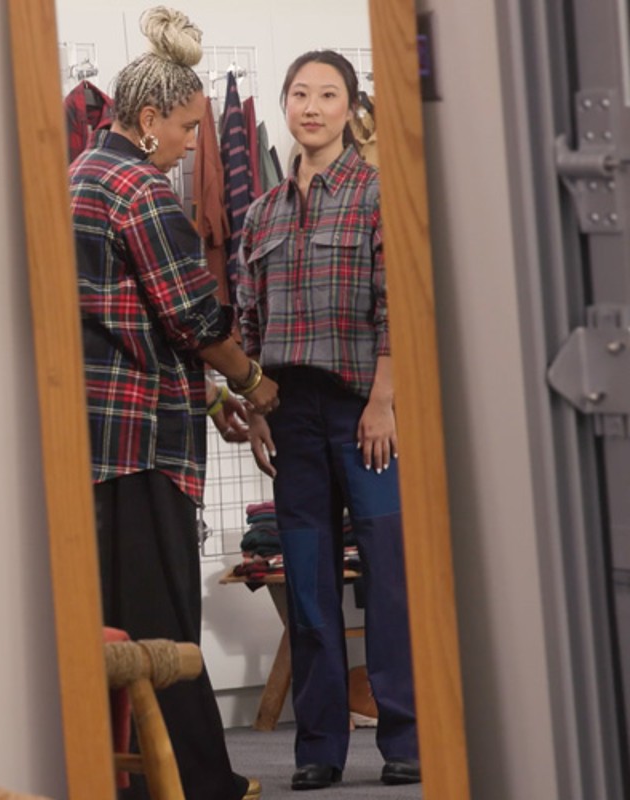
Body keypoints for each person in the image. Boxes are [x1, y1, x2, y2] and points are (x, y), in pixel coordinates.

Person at [68, 7, 278, 800]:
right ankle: (196, 785)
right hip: (145, 445)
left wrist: (211, 389)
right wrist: (252, 381)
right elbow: (193, 316)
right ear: (150, 120)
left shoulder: (80, 176)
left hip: (98, 442)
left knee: (117, 626)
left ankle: (135, 780)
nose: (197, 143)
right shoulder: (140, 188)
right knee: (164, 633)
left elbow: (130, 320)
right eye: (190, 127)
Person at [236, 50, 420, 790]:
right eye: (300, 94)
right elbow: (247, 322)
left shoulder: (378, 196)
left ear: (351, 107)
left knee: (389, 576)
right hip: (291, 416)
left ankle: (404, 737)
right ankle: (319, 748)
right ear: (285, 105)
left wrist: (384, 400)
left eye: (328, 94)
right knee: (308, 584)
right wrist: (251, 406)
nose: (312, 106)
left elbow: (396, 306)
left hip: (362, 411)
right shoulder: (260, 214)